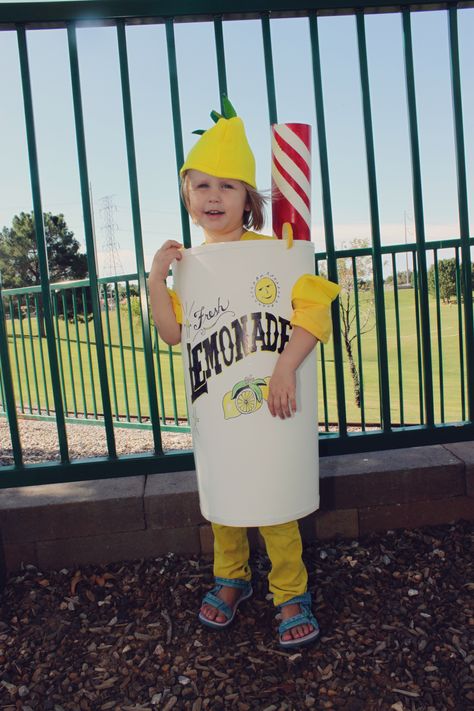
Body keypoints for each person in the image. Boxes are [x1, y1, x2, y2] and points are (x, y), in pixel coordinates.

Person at [149, 100, 339, 648]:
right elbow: (171, 333)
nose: (214, 195)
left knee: (275, 502)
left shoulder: (276, 251)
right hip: (222, 419)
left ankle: (290, 590)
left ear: (249, 199)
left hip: (272, 408)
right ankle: (231, 578)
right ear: (187, 195)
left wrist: (284, 368)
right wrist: (156, 281)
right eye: (202, 185)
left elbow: (313, 310)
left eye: (228, 186)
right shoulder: (189, 267)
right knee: (228, 505)